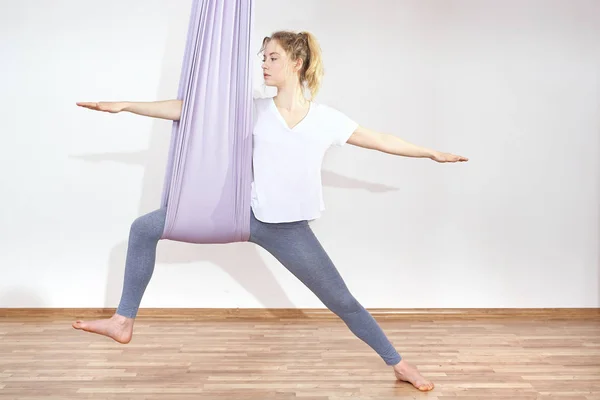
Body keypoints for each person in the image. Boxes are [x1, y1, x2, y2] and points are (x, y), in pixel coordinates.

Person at [73, 30, 467, 392]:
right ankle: (123, 321)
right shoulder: (253, 109)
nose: (263, 64)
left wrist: (429, 152)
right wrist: (127, 106)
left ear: (297, 62)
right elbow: (188, 109)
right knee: (145, 227)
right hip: (241, 214)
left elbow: (380, 139)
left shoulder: (327, 119)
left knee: (342, 301)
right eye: (263, 57)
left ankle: (398, 364)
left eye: (272, 57)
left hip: (288, 229)